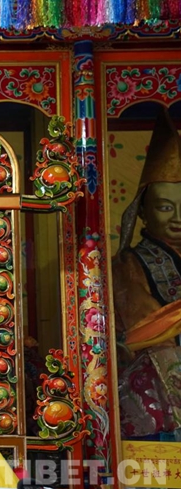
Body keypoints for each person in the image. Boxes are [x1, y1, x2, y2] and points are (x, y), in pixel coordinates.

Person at [112, 106, 181, 439]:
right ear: (141, 211)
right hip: (158, 366)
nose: (177, 217)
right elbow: (144, 328)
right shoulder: (129, 263)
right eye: (165, 207)